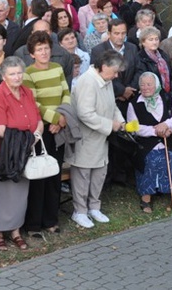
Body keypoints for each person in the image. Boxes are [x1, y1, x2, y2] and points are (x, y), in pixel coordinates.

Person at [0, 56, 42, 251]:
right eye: (12, 74)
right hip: (3, 153)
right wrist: (27, 138)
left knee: (19, 193)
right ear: (3, 76)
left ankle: (16, 231)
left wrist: (35, 135)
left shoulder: (27, 92)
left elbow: (38, 119)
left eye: (19, 72)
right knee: (0, 194)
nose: (17, 77)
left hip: (24, 151)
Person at [69, 50, 125, 228]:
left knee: (99, 173)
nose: (116, 76)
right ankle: (79, 211)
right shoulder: (87, 81)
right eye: (115, 71)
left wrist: (121, 121)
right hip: (86, 137)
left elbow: (113, 105)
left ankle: (94, 207)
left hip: (101, 136)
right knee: (83, 175)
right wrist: (110, 125)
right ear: (104, 66)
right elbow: (85, 113)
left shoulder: (106, 80)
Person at [23, 31, 70, 237]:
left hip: (58, 128)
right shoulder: (28, 73)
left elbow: (66, 94)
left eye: (46, 48)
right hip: (41, 130)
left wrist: (61, 118)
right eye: (39, 49)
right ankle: (34, 223)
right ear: (32, 53)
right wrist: (53, 118)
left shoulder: (58, 68)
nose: (43, 52)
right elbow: (33, 103)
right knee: (38, 176)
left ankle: (51, 220)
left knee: (54, 174)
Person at [127, 72, 172, 213]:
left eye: (149, 84)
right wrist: (155, 131)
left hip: (168, 140)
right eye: (142, 85)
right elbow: (134, 128)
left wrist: (166, 125)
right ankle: (146, 198)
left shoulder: (167, 98)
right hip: (146, 144)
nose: (146, 88)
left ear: (156, 85)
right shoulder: (134, 104)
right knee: (150, 161)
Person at [136, 26, 172, 97]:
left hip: (169, 95)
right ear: (143, 42)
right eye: (151, 40)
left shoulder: (163, 55)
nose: (154, 42)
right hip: (152, 97)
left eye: (156, 39)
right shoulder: (140, 58)